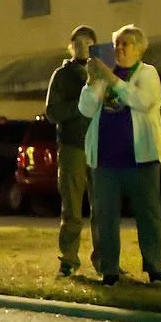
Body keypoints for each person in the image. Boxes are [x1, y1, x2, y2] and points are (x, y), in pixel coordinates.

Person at [78, 24, 161, 284]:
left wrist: (113, 79)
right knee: (105, 217)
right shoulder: (104, 74)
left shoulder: (147, 73)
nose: (120, 49)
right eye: (117, 44)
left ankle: (155, 268)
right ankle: (110, 270)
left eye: (126, 44)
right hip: (105, 160)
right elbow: (85, 108)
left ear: (139, 48)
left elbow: (144, 101)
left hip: (141, 159)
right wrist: (93, 81)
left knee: (148, 215)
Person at [43, 26, 96, 277]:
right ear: (71, 46)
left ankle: (106, 260)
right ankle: (69, 259)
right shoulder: (62, 75)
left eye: (88, 41)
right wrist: (82, 104)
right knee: (72, 208)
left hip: (101, 146)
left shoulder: (102, 71)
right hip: (73, 147)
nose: (83, 46)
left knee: (103, 208)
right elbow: (53, 112)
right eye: (78, 42)